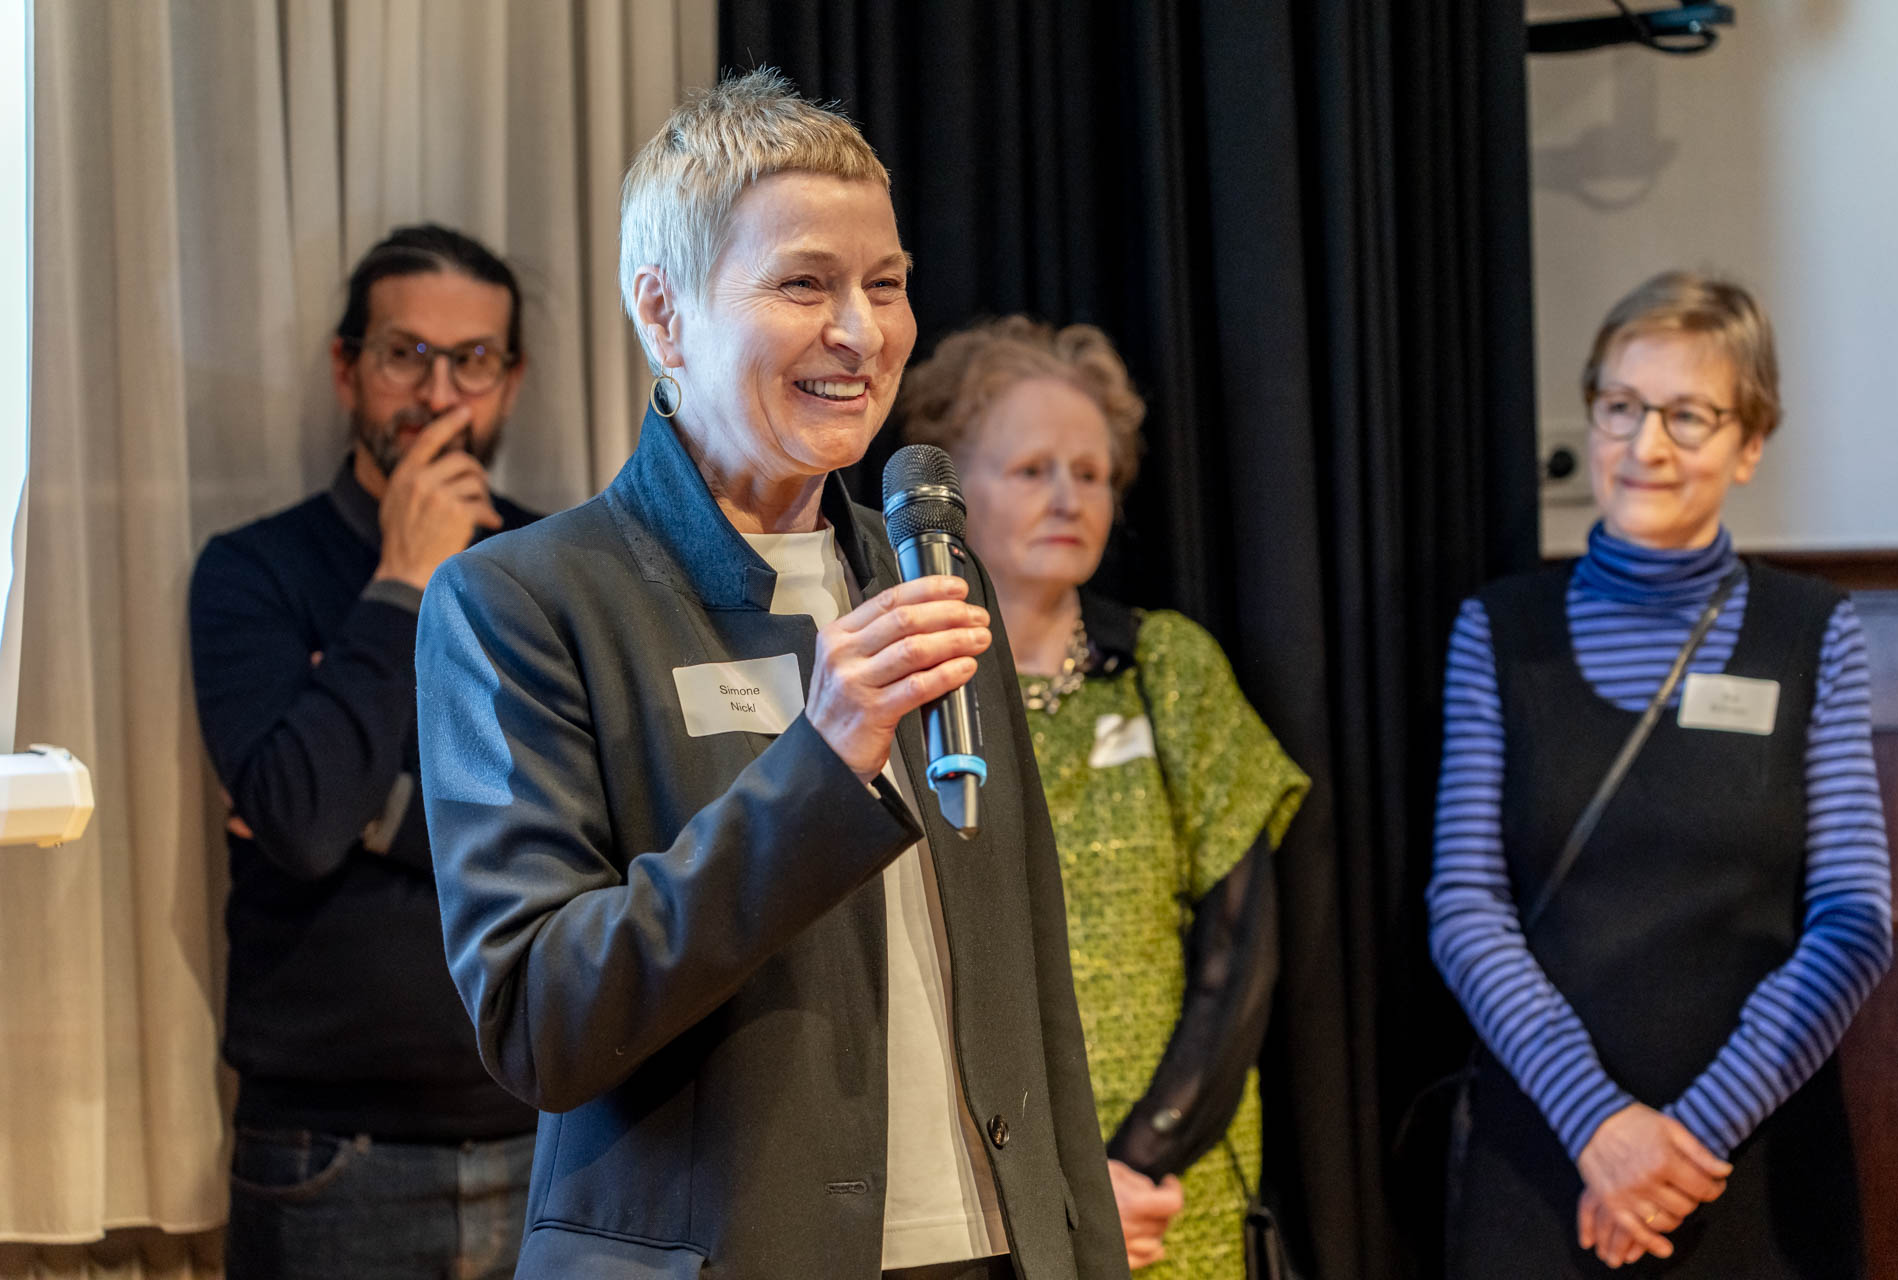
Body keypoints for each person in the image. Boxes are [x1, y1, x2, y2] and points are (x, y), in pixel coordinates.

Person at [413, 71, 1128, 1280]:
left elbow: (1037, 991)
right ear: (666, 312)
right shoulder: (522, 599)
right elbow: (540, 1019)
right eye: (804, 284)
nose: (863, 331)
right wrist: (817, 767)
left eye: (885, 283)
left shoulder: (935, 572)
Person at [1428, 271, 1893, 1276]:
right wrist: (1600, 1125)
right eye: (1621, 406)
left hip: (1750, 1160)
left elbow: (1853, 919)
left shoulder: (1814, 632)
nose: (1645, 446)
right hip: (1547, 1160)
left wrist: (1687, 1140)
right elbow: (1465, 906)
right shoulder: (1499, 631)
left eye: (1688, 415)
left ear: (1750, 442)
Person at [898, 316, 1310, 1275]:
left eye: (1090, 474)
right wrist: (1057, 1184)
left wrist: (1135, 1164)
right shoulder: (908, 683)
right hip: (983, 1184)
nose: (1067, 497)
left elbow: (1240, 953)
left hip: (1167, 1191)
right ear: (955, 495)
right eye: (1031, 469)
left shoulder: (1170, 667)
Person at [188, 224, 543, 1277]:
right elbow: (303, 820)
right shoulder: (254, 571)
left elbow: (593, 828)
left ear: (511, 381)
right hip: (330, 1155)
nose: (438, 393)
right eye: (405, 354)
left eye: (472, 359)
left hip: (552, 1135)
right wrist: (404, 581)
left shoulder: (556, 566)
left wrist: (375, 810)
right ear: (347, 369)